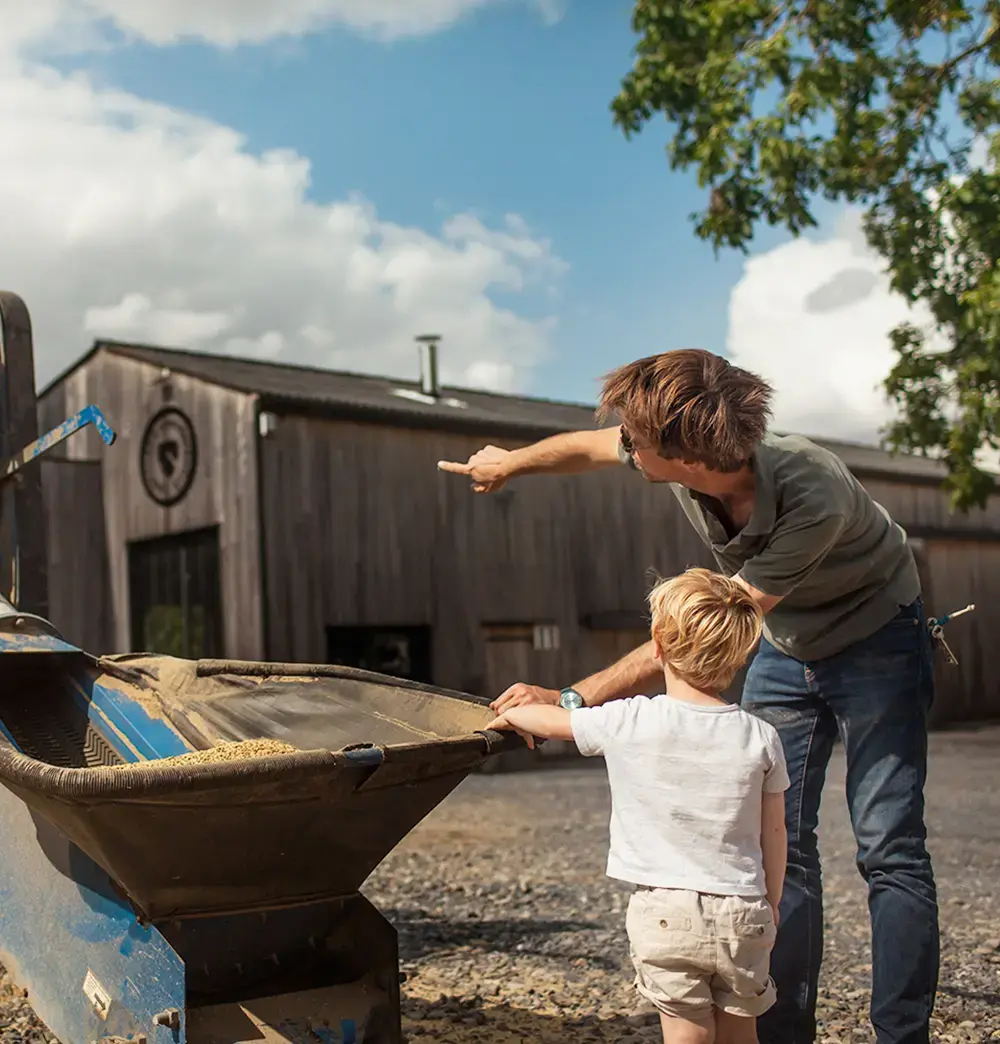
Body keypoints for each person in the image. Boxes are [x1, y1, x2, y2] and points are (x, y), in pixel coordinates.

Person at [438, 349, 939, 1044]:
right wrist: (510, 462)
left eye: (636, 442)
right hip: (787, 642)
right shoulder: (671, 455)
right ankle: (782, 1030)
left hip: (877, 636)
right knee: (785, 848)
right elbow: (586, 448)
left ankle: (900, 1034)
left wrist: (572, 695)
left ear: (687, 456)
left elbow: (695, 634)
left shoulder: (811, 491)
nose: (626, 449)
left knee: (889, 845)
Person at [489, 568, 788, 1044]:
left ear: (658, 646)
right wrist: (772, 904)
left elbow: (548, 721)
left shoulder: (631, 718)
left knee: (685, 1035)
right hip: (744, 910)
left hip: (665, 913)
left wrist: (509, 712)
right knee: (740, 1034)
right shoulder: (760, 736)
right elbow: (775, 834)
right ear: (740, 653)